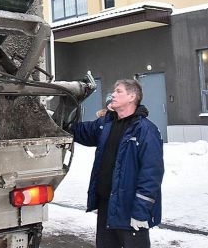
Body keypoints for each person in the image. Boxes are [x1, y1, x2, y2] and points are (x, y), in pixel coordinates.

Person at [69, 79, 164, 248]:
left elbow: (151, 175)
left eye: (119, 91)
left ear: (132, 96)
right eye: (114, 91)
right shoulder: (107, 124)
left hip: (130, 211)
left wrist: (141, 212)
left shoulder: (145, 130)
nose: (113, 94)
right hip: (107, 207)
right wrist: (55, 119)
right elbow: (81, 132)